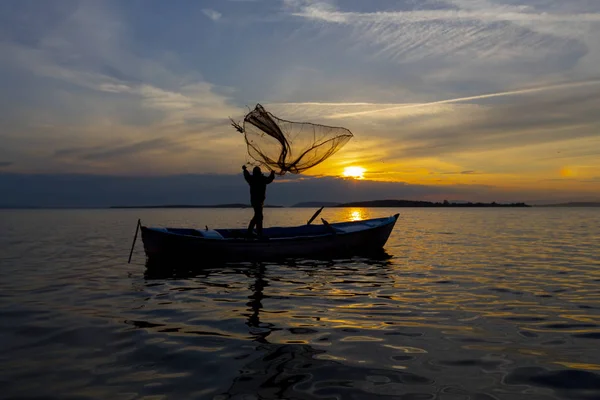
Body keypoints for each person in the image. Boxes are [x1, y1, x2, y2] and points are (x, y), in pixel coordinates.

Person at [243, 165, 275, 237]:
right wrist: (272, 174)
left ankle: (253, 232)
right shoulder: (260, 178)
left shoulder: (253, 179)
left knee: (258, 216)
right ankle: (256, 233)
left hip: (257, 201)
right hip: (257, 201)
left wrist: (245, 170)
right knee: (259, 216)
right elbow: (269, 179)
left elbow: (246, 176)